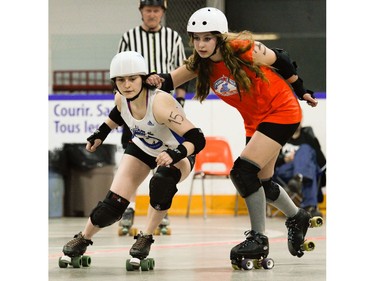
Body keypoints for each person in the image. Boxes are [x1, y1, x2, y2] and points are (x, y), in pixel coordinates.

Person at [146, 7, 319, 260]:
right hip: (256, 121)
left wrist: (301, 89)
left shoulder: (242, 49)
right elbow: (168, 81)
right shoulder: (201, 63)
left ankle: (258, 239)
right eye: (196, 38)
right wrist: (144, 80)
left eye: (207, 38)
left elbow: (281, 58)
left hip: (281, 110)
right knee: (262, 183)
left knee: (242, 172)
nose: (201, 44)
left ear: (220, 37)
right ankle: (297, 217)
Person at [61, 51, 206, 266]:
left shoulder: (160, 102)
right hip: (142, 148)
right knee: (112, 206)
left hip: (178, 153)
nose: (127, 85)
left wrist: (175, 154)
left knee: (162, 182)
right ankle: (83, 239)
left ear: (143, 78)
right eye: (121, 80)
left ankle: (145, 236)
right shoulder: (121, 97)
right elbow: (118, 113)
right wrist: (101, 133)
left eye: (132, 79)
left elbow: (197, 138)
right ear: (115, 82)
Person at [117, 0, 189, 229]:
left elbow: (181, 74)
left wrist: (179, 104)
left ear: (162, 13)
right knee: (134, 161)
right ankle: (128, 208)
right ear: (141, 12)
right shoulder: (129, 37)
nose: (152, 14)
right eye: (148, 10)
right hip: (136, 108)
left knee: (163, 161)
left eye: (156, 10)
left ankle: (160, 209)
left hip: (163, 110)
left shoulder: (173, 38)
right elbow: (120, 73)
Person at [274, 123, 326, 217]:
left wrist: (314, 143)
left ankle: (299, 177)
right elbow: (270, 160)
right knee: (308, 169)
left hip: (304, 174)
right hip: (285, 171)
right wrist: (284, 159)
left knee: (306, 151)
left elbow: (322, 162)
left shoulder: (308, 137)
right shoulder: (281, 137)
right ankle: (309, 207)